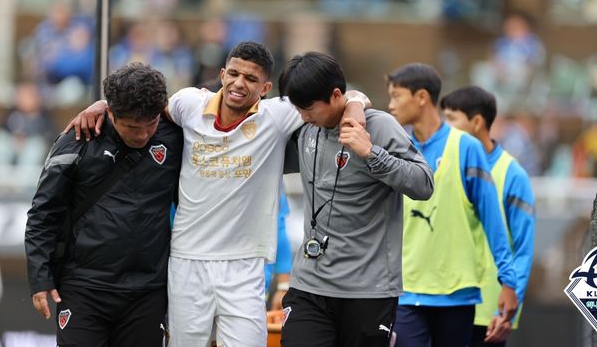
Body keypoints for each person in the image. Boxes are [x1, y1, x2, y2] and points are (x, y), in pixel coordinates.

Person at [66, 41, 369, 347]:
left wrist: (355, 106)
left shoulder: (277, 116)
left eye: (251, 79)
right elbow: (139, 104)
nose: (239, 83)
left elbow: (348, 96)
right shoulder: (188, 103)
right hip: (187, 260)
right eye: (234, 74)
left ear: (265, 88)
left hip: (244, 264)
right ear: (223, 74)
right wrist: (103, 105)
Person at [278, 52, 434, 347]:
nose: (302, 115)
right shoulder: (306, 126)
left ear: (335, 95)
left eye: (308, 108)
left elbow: (424, 184)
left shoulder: (379, 127)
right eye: (298, 108)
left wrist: (372, 153)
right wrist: (355, 100)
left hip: (368, 291)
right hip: (309, 285)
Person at [25, 63, 183, 346]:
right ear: (110, 112)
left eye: (151, 124)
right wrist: (40, 278)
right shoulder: (77, 139)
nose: (144, 134)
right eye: (133, 127)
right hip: (84, 288)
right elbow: (43, 213)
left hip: (147, 291)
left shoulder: (175, 135)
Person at [386, 63, 518, 347]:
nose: (391, 105)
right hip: (406, 291)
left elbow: (493, 221)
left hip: (457, 292)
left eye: (397, 96)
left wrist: (509, 282)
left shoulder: (466, 148)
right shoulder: (395, 147)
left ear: (421, 97)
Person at [440, 86, 535, 346]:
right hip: (446, 304)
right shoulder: (443, 165)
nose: (445, 127)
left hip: (487, 313)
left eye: (451, 119)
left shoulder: (513, 174)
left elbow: (523, 250)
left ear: (477, 122)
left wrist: (505, 309)